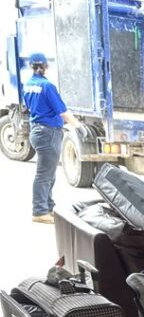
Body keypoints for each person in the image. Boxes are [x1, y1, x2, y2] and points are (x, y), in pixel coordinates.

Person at [22, 52, 82, 224]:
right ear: (46, 66)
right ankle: (39, 211)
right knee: (44, 174)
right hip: (48, 133)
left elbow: (29, 106)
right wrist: (79, 127)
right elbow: (63, 112)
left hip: (37, 131)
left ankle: (48, 207)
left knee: (48, 173)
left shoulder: (27, 85)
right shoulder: (47, 86)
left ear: (30, 66)